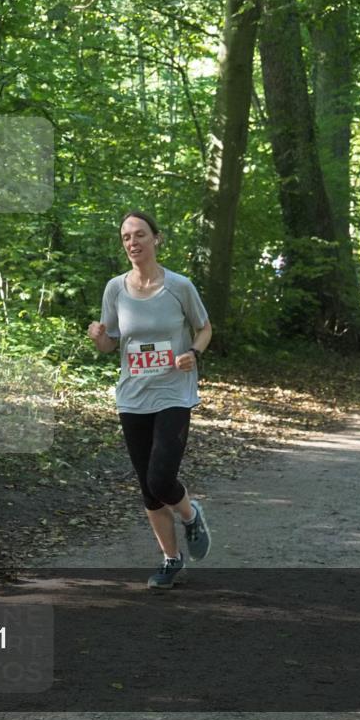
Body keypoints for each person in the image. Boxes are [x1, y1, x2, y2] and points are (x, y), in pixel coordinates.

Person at [88, 211, 213, 589]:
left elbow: (204, 327)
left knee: (161, 478)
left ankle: (191, 515)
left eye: (140, 234)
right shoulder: (115, 289)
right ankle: (171, 560)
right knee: (147, 487)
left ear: (156, 239)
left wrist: (193, 351)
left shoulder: (179, 286)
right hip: (132, 396)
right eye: (126, 237)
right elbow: (112, 343)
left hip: (173, 392)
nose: (132, 242)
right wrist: (99, 339)